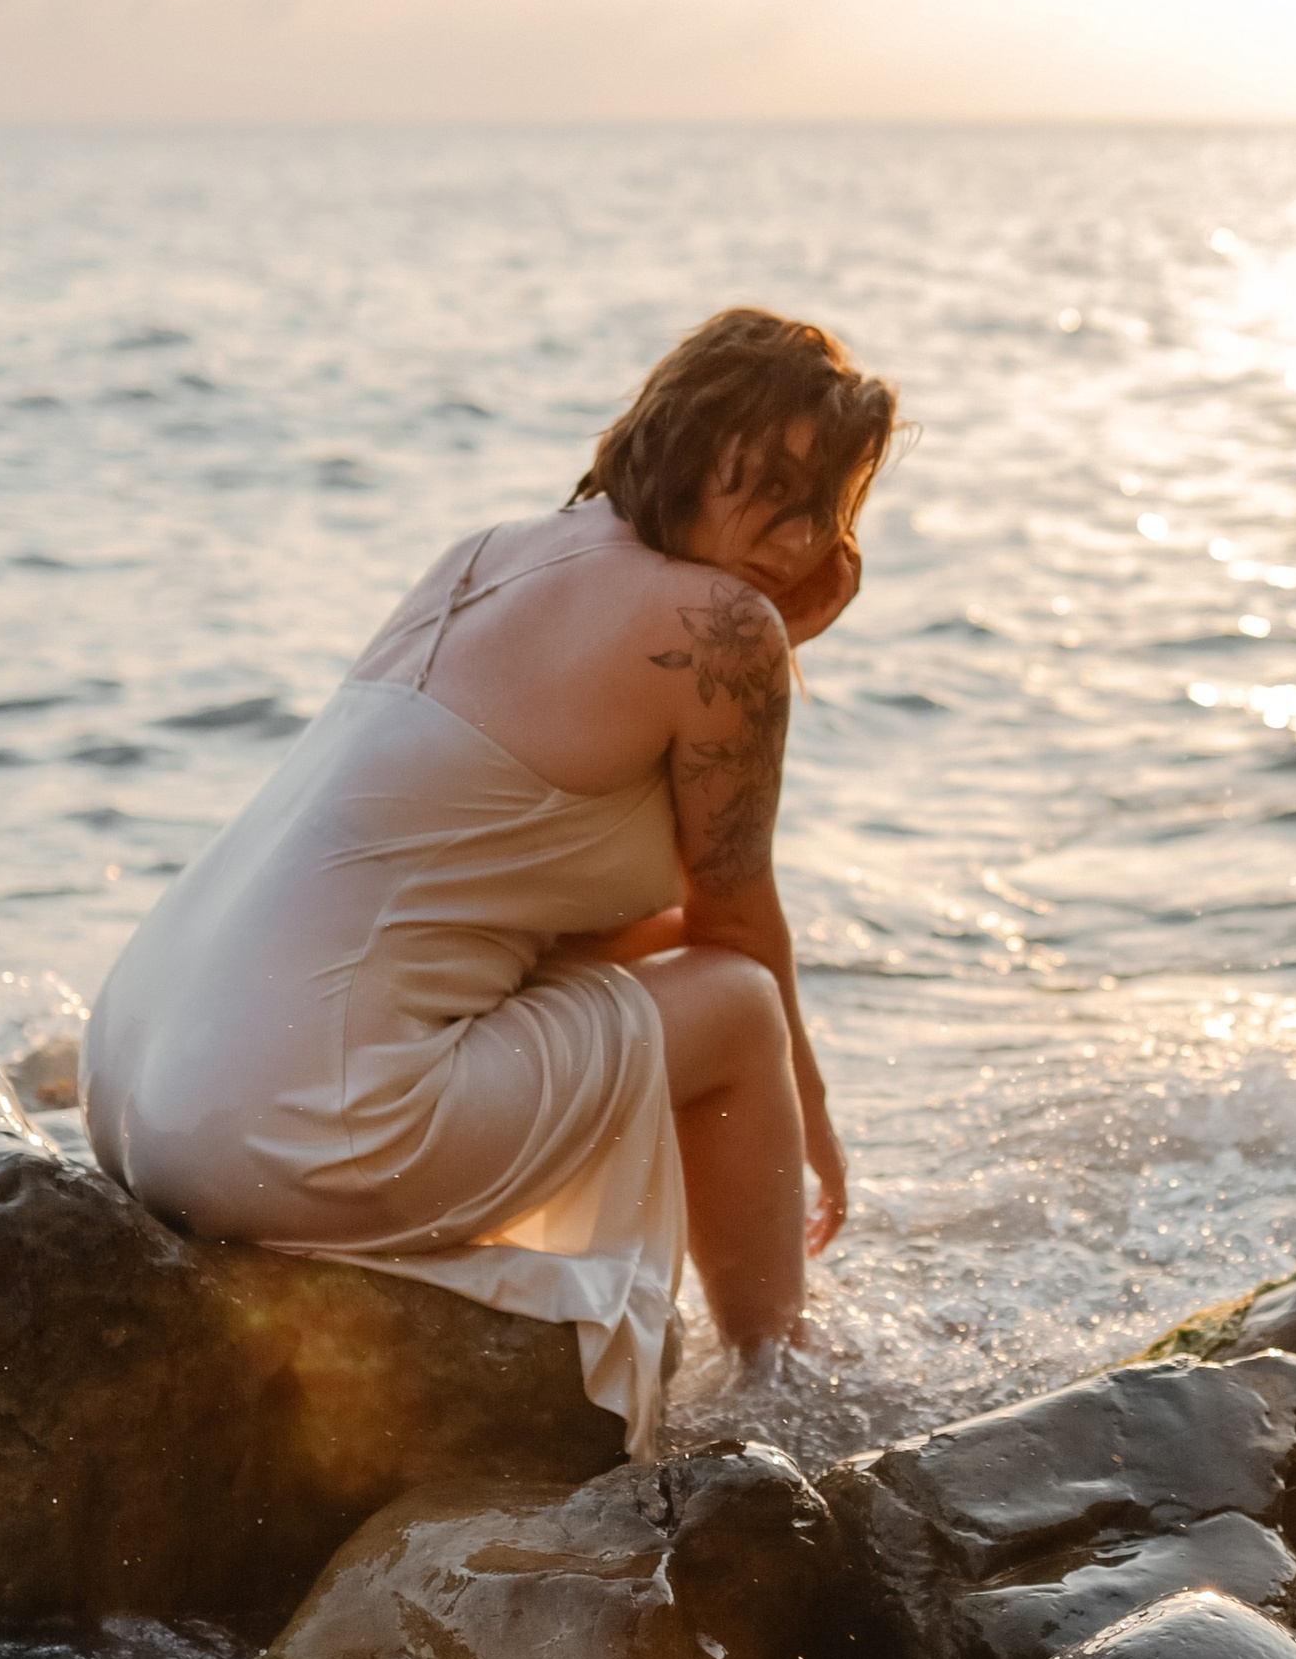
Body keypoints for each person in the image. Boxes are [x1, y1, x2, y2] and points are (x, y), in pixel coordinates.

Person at [81, 308, 896, 1454]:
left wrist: (774, 631)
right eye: (764, 481)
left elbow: (517, 925)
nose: (795, 529)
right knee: (740, 1005)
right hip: (301, 1125)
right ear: (680, 441)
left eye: (829, 506)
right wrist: (810, 1118)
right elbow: (730, 924)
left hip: (138, 1090)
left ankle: (765, 1383)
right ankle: (781, 1392)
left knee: (672, 989)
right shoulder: (718, 627)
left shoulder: (482, 554)